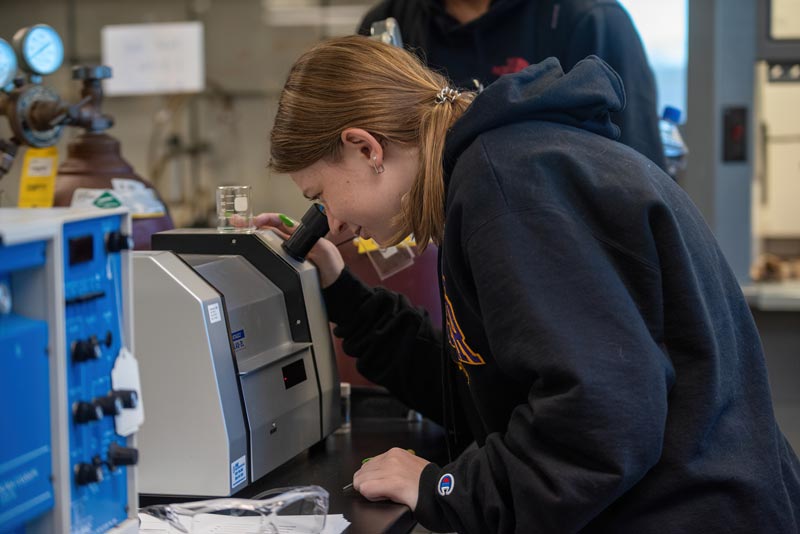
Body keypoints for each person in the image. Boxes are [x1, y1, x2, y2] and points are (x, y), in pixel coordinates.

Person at [260, 35, 800, 533]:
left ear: (365, 148)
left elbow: (600, 421)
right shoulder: (499, 170)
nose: (330, 222)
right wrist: (342, 292)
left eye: (319, 196)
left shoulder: (507, 189)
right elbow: (480, 388)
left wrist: (443, 488)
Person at [358, 0, 668, 171]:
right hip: (422, 256)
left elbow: (640, 173)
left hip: (550, 248)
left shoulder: (590, 19)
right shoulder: (386, 25)